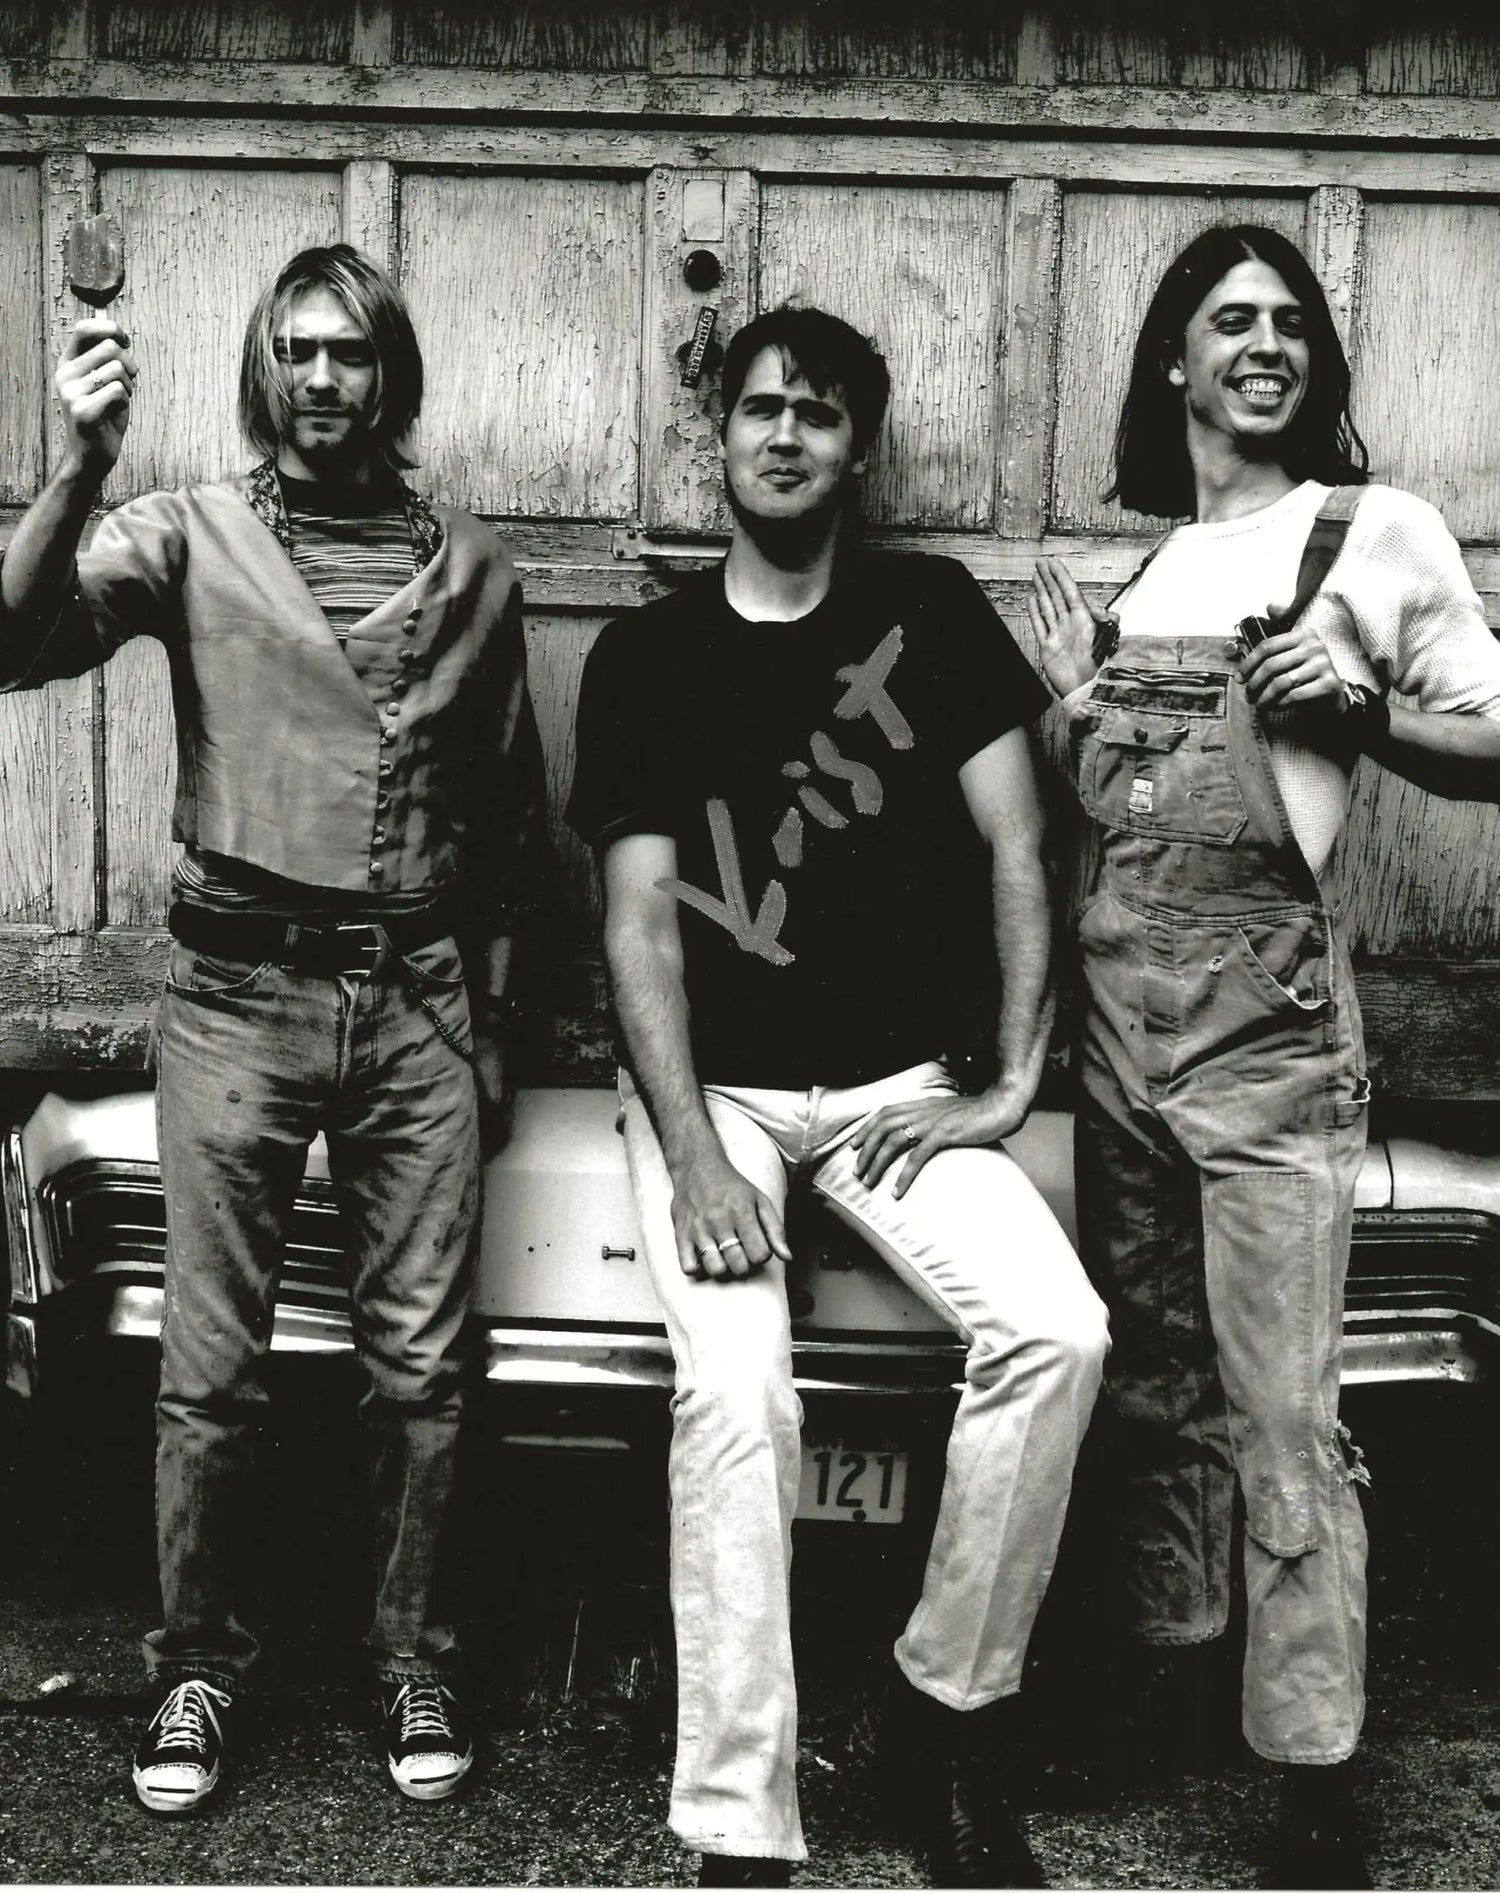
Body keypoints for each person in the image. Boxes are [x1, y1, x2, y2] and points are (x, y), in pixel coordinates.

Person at [568, 305, 1109, 1890]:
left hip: (893, 1092)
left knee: (1060, 1332)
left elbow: (1022, 845)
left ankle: (941, 1719)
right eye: (761, 407)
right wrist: (694, 1155)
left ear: (858, 445)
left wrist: (1011, 1077)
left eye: (816, 411)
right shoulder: (646, 656)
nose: (786, 433)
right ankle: (741, 1824)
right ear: (721, 438)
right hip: (719, 1100)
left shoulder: (928, 615)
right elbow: (638, 923)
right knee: (738, 1394)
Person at [0, 244, 544, 1812]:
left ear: (390, 374)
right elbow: (13, 644)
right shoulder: (187, 536)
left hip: (418, 993)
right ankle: (192, 1667)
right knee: (211, 1364)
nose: (321, 378)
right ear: (262, 369)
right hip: (237, 989)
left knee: (422, 1363)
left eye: (349, 351)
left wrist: (492, 1023)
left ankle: (412, 1652)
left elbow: (512, 820)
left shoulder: (476, 571)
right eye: (296, 350)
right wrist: (77, 464)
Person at [1026, 223, 1500, 1889]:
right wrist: (1074, 702)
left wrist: (1365, 715)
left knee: (1285, 1410)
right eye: (1230, 320)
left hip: (1267, 1043)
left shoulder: (1373, 534)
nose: (1265, 345)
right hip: (1118, 1039)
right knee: (1157, 1391)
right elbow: (1116, 824)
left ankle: (1311, 1765)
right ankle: (1168, 1680)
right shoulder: (1150, 571)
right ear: (1175, 359)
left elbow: (1497, 738)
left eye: (1291, 322)